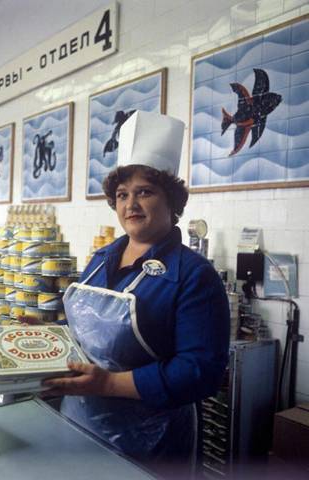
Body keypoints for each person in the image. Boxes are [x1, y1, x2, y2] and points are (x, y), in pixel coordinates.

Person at [44, 111, 230, 478]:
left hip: (152, 442)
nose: (131, 204)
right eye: (122, 195)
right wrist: (44, 339)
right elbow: (85, 334)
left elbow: (201, 372)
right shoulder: (100, 260)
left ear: (172, 201)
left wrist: (111, 384)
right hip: (80, 421)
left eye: (145, 192)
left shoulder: (194, 275)